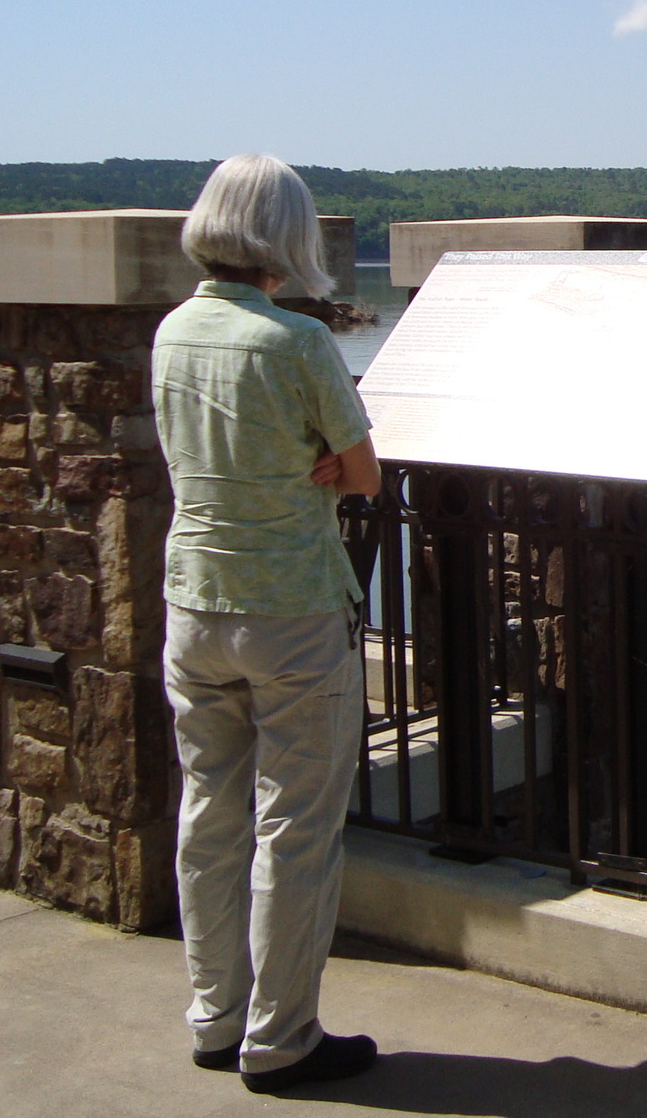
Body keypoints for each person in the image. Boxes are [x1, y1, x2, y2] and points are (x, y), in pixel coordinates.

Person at [153, 154, 384, 1094]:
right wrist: (327, 465)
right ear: (286, 239)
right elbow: (362, 470)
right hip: (289, 612)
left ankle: (213, 1019)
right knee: (294, 830)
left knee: (209, 813)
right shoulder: (294, 342)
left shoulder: (172, 332)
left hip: (193, 602)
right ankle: (281, 1039)